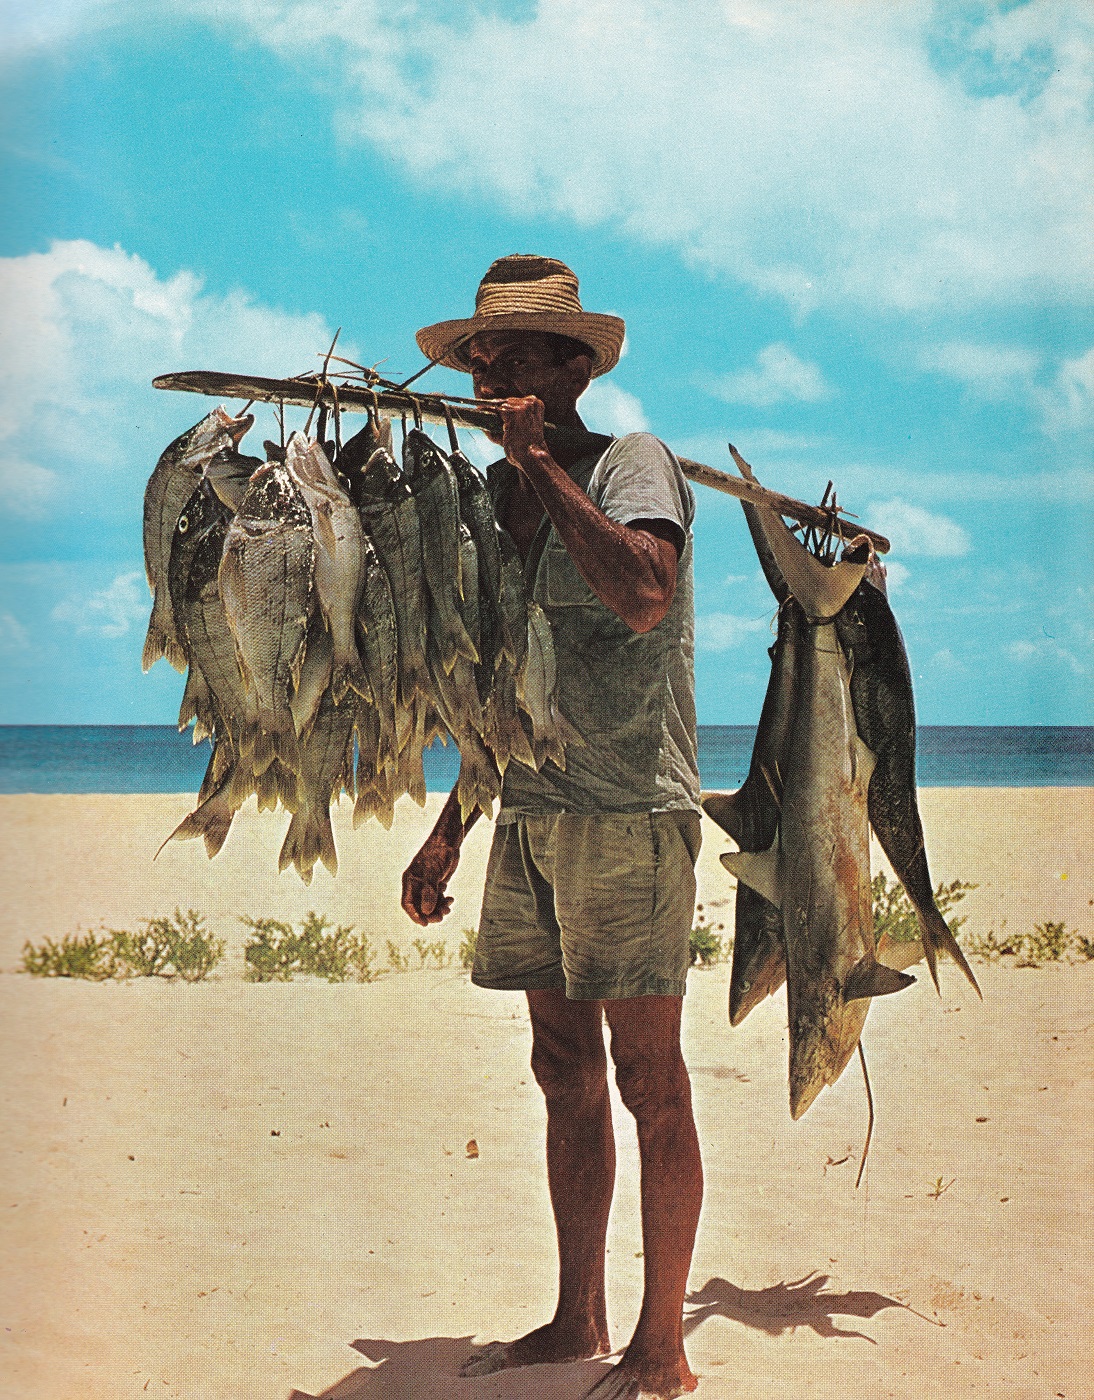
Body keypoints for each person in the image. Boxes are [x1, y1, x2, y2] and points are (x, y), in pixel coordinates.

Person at [403, 254, 704, 1400]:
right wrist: (452, 824)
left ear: (568, 367)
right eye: (475, 358)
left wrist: (539, 459)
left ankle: (660, 1339)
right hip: (527, 809)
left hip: (629, 809)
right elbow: (497, 681)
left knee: (648, 1077)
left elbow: (641, 592)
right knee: (559, 1065)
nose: (483, 375)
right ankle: (576, 1310)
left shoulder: (634, 465)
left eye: (507, 355)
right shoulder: (488, 501)